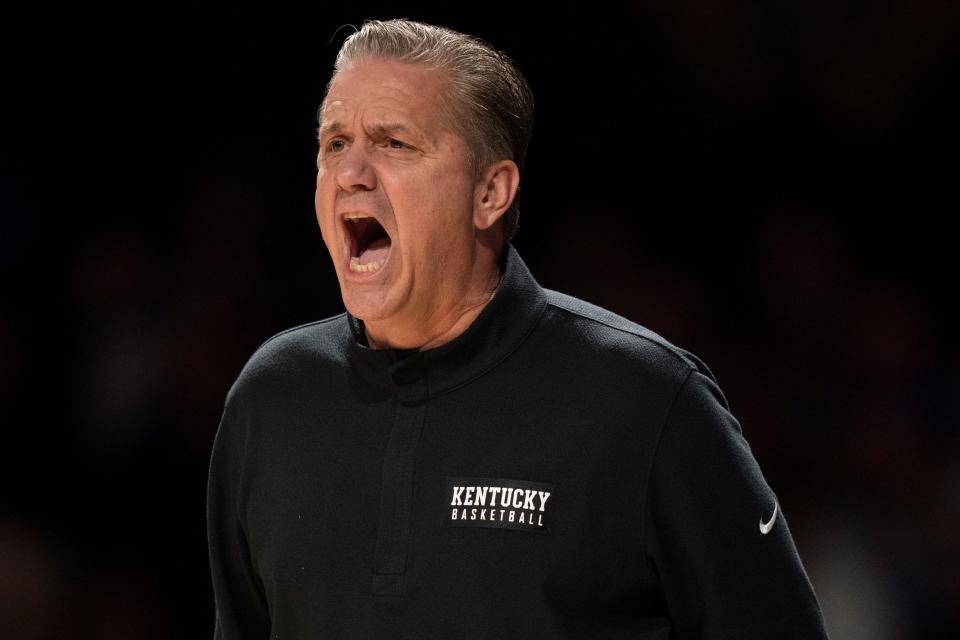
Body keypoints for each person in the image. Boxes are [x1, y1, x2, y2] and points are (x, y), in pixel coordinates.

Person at [206, 18, 829, 639]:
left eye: (394, 143)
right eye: (334, 143)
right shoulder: (271, 399)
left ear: (491, 192)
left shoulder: (645, 400)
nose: (351, 173)